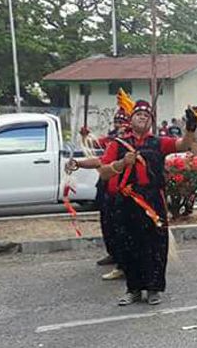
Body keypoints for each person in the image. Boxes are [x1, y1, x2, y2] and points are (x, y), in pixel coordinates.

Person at [98, 100, 197, 306]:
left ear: (151, 122)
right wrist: (122, 163)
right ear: (130, 119)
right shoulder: (118, 144)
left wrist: (190, 127)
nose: (143, 117)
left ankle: (153, 288)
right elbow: (104, 171)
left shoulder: (158, 142)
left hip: (152, 199)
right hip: (127, 200)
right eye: (138, 114)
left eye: (147, 116)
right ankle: (133, 289)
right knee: (129, 244)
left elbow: (183, 144)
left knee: (155, 244)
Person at [68, 109, 131, 280]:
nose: (119, 127)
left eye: (123, 124)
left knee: (122, 230)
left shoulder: (131, 145)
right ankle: (114, 255)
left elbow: (99, 162)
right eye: (117, 123)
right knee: (107, 224)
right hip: (107, 188)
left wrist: (79, 163)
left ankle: (124, 264)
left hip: (123, 191)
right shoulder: (113, 141)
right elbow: (93, 145)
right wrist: (85, 137)